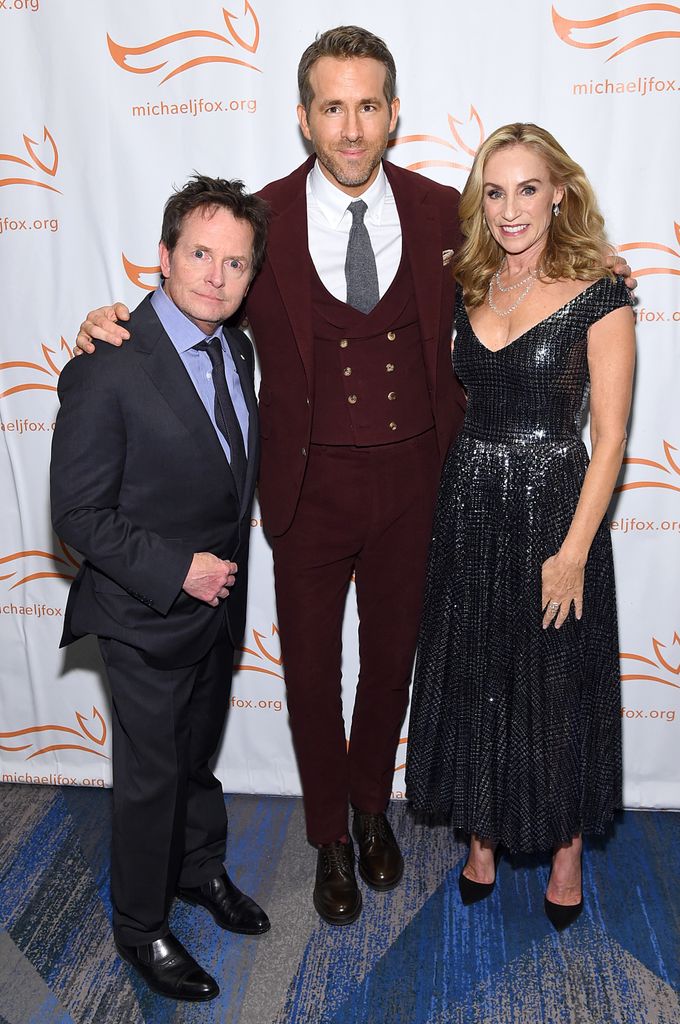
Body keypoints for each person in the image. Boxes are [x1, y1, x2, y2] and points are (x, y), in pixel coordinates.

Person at [72, 28, 633, 927]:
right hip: (305, 489)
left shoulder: (446, 209)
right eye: (332, 106)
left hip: (421, 483)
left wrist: (599, 266)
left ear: (394, 113)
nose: (351, 125)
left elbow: (530, 253)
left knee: (391, 664)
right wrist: (114, 322)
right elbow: (196, 295)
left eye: (368, 105)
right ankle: (329, 832)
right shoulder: (260, 222)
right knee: (307, 673)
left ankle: (375, 809)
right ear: (304, 118)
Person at [405, 123, 636, 931]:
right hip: (470, 501)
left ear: (559, 192)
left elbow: (609, 435)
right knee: (477, 668)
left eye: (528, 189)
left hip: (553, 506)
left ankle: (566, 846)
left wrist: (574, 551)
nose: (511, 209)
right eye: (494, 191)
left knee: (556, 682)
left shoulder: (600, 294)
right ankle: (482, 834)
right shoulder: (465, 280)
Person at [50, 175, 271, 1001]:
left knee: (196, 758)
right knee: (149, 777)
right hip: (144, 611)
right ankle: (140, 926)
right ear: (166, 256)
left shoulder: (236, 347)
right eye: (201, 254)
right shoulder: (107, 365)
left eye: (237, 263)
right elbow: (77, 512)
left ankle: (198, 872)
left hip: (218, 607)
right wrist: (177, 570)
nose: (216, 276)